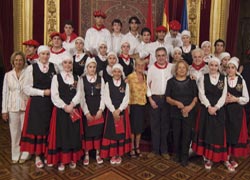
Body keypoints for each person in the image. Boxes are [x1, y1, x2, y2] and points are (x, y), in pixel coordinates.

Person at [20, 45, 57, 168]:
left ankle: (46, 153)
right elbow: (26, 88)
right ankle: (37, 156)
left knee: (48, 128)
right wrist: (42, 92)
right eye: (43, 54)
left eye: (47, 54)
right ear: (39, 55)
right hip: (36, 103)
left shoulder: (53, 67)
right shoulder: (31, 68)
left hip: (50, 104)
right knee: (37, 129)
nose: (45, 56)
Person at [46, 53, 83, 171]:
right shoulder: (56, 78)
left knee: (73, 134)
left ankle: (72, 158)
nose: (68, 65)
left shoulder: (77, 78)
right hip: (61, 111)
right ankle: (62, 160)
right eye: (65, 63)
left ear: (72, 65)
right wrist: (64, 106)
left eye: (70, 63)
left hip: (73, 109)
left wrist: (72, 105)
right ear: (62, 64)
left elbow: (79, 93)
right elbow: (54, 95)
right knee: (61, 135)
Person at [192, 56, 228, 170]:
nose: (213, 67)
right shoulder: (203, 77)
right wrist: (208, 106)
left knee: (217, 133)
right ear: (208, 66)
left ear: (219, 67)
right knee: (206, 132)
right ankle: (207, 157)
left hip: (219, 109)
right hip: (206, 108)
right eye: (211, 65)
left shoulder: (224, 78)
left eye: (215, 65)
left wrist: (216, 107)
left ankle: (216, 156)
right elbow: (201, 93)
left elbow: (224, 95)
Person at [166, 60, 198, 166]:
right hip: (175, 112)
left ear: (187, 69)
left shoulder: (192, 81)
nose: (181, 70)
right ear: (176, 70)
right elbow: (167, 98)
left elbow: (195, 98)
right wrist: (176, 103)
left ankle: (185, 157)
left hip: (188, 112)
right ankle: (177, 155)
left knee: (187, 135)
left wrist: (189, 107)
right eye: (179, 67)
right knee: (176, 134)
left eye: (183, 67)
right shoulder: (170, 82)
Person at [2, 51, 29, 164]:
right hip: (12, 106)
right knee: (14, 132)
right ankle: (15, 154)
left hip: (25, 105)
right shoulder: (8, 75)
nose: (18, 62)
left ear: (23, 61)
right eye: (16, 60)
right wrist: (4, 110)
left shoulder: (27, 73)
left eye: (20, 60)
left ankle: (26, 153)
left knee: (25, 131)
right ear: (13, 61)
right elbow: (5, 93)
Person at [100, 64, 131, 165]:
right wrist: (113, 110)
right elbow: (106, 98)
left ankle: (119, 154)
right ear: (112, 73)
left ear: (121, 73)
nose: (117, 73)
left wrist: (120, 109)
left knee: (120, 133)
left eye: (119, 71)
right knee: (112, 133)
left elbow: (127, 98)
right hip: (111, 112)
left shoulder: (125, 84)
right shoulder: (108, 84)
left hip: (121, 112)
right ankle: (113, 154)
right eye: (115, 71)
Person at [147, 47, 174, 159]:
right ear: (156, 56)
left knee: (165, 126)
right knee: (155, 125)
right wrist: (150, 100)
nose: (161, 57)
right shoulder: (151, 68)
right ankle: (155, 149)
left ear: (166, 56)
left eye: (163, 55)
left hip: (167, 99)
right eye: (159, 55)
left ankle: (164, 150)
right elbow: (147, 85)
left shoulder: (172, 67)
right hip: (155, 99)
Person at [224, 57, 249, 171]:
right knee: (225, 134)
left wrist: (235, 99)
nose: (230, 70)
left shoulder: (241, 80)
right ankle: (225, 158)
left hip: (237, 112)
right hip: (224, 111)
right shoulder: (223, 79)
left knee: (234, 134)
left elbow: (246, 98)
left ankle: (231, 156)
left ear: (236, 69)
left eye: (232, 67)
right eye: (228, 67)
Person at [81, 58, 105, 166]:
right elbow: (81, 97)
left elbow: (103, 95)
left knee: (97, 132)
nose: (92, 69)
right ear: (87, 68)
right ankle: (86, 154)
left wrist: (101, 109)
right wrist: (86, 112)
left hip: (98, 108)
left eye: (94, 67)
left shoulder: (100, 79)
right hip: (87, 108)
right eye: (90, 67)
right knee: (88, 132)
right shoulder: (82, 79)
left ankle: (97, 154)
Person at [127, 58, 147, 158]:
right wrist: (128, 106)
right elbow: (127, 93)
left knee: (139, 128)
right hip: (133, 105)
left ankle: (137, 146)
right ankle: (131, 148)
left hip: (142, 105)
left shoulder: (145, 76)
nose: (140, 67)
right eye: (138, 65)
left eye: (142, 65)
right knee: (132, 129)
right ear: (135, 66)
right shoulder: (130, 77)